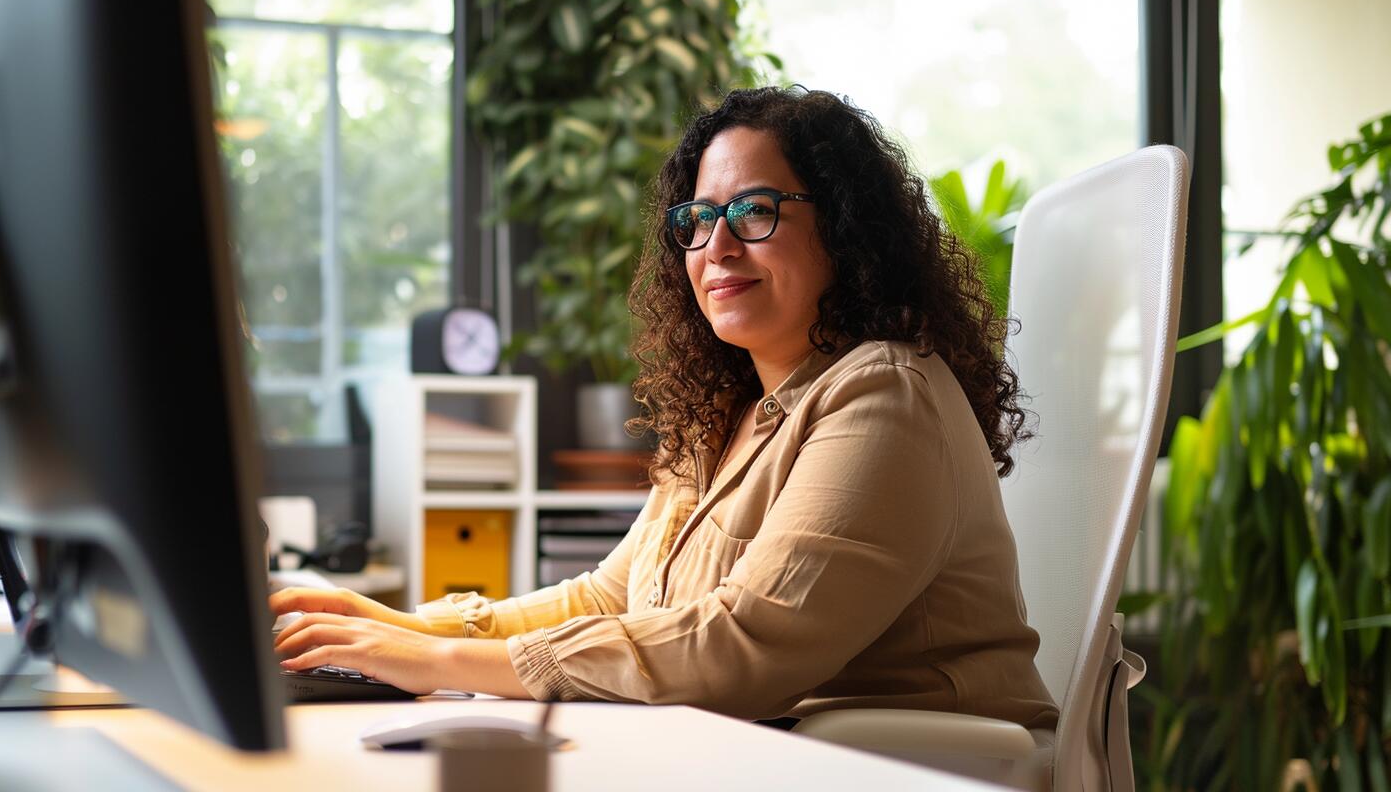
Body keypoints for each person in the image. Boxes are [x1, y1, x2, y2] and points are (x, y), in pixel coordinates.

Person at [272, 86, 1059, 735]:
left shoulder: (885, 392)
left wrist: (431, 664)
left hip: (918, 771)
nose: (716, 247)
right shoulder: (731, 413)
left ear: (846, 227)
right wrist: (395, 627)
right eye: (696, 220)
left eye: (754, 211)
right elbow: (611, 597)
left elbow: (743, 644)